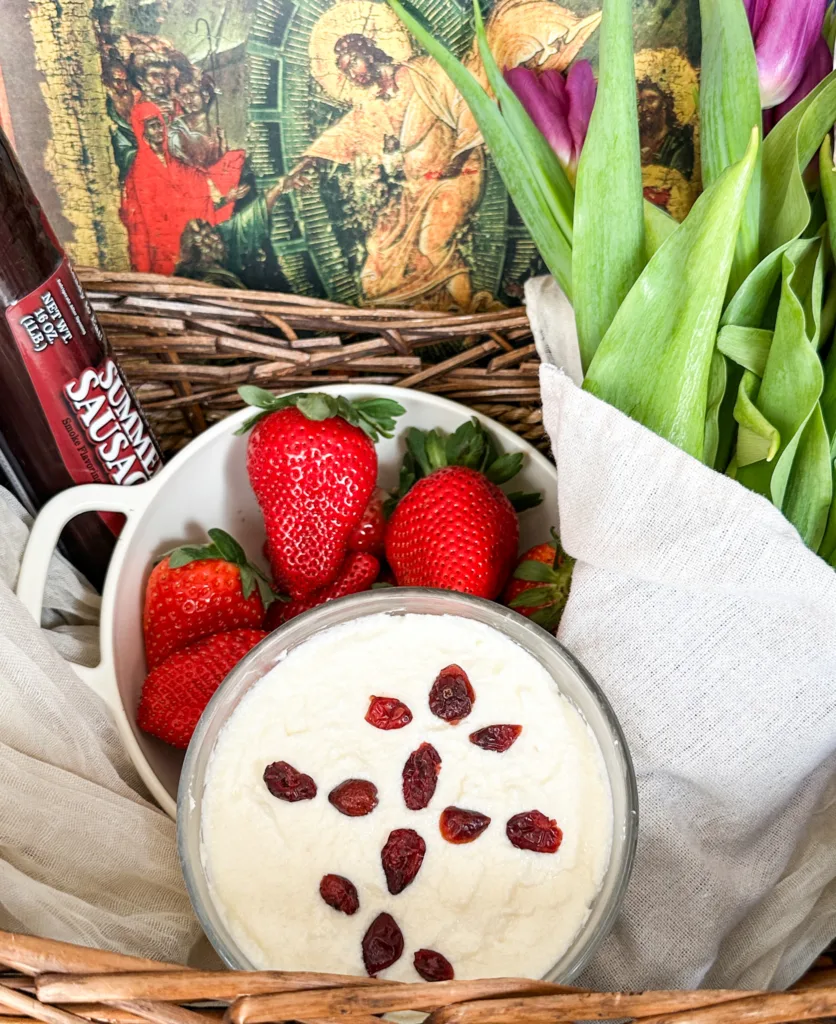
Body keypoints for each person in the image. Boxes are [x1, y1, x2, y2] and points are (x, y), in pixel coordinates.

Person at [120, 102, 244, 274]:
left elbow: (201, 186)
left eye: (159, 125)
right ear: (142, 130)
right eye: (152, 126)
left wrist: (225, 196)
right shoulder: (139, 174)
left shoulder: (177, 164)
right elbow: (143, 222)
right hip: (164, 249)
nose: (158, 130)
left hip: (189, 242)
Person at [168, 75, 248, 223]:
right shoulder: (177, 133)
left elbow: (221, 165)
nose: (187, 101)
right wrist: (224, 198)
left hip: (220, 193)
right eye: (183, 96)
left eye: (192, 94)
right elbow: (185, 178)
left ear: (205, 96)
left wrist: (222, 144)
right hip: (198, 202)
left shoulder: (214, 131)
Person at [637, 76, 695, 179]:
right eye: (641, 102)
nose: (644, 108)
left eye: (650, 100)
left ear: (664, 102)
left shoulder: (678, 143)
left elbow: (679, 182)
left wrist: (651, 166)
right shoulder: (634, 136)